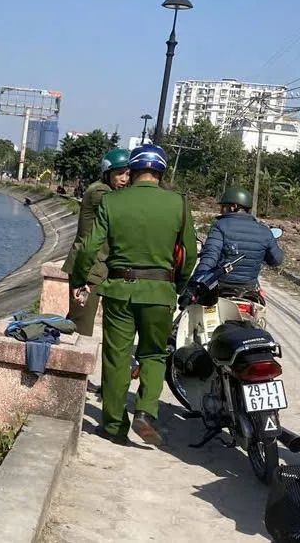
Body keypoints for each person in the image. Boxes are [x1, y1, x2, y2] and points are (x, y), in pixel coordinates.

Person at [71, 145, 197, 446]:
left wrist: (81, 280)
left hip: (119, 291)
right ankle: (146, 411)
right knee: (153, 354)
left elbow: (89, 247)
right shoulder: (179, 203)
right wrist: (177, 287)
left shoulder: (112, 201)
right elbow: (189, 254)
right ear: (161, 171)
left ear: (133, 169)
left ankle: (114, 426)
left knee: (116, 357)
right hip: (160, 292)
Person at [61, 148, 131, 338]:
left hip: (96, 265)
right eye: (119, 174)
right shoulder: (100, 191)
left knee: (77, 318)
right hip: (87, 267)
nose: (124, 179)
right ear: (107, 173)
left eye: (128, 174)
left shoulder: (108, 190)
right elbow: (122, 208)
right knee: (81, 327)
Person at [194, 187, 283, 299]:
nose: (221, 211)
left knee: (196, 305)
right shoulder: (265, 231)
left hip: (221, 287)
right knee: (260, 306)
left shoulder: (220, 226)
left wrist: (199, 278)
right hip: (249, 288)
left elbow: (210, 257)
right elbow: (277, 260)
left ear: (233, 206)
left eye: (223, 207)